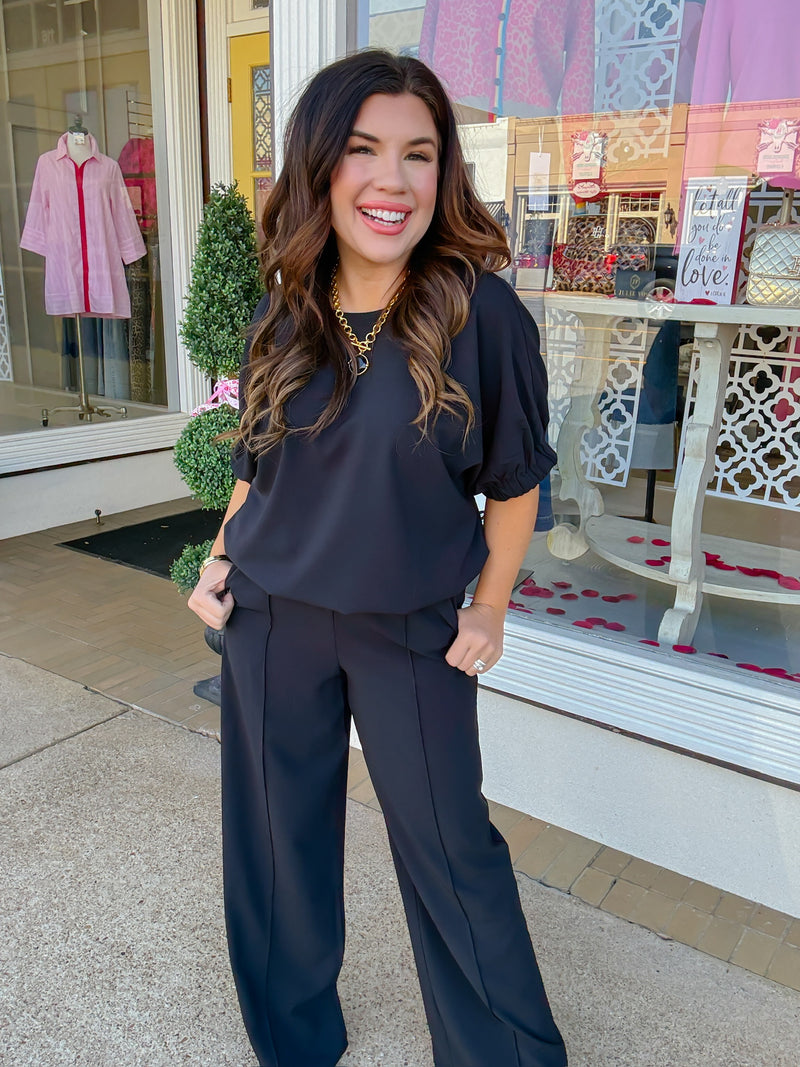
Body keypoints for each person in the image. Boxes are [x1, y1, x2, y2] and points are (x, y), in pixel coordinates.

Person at [188, 49, 568, 1067]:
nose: (391, 179)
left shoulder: (480, 313)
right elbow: (255, 464)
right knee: (276, 844)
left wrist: (488, 607)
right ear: (320, 166)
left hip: (411, 630)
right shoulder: (282, 308)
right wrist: (218, 559)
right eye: (362, 150)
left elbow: (515, 481)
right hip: (272, 618)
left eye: (418, 153)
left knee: (453, 850)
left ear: (444, 172)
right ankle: (294, 1040)